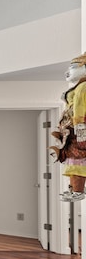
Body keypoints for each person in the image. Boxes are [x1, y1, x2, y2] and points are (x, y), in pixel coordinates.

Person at [50, 52, 86, 201]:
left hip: (78, 128)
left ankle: (78, 190)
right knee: (73, 159)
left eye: (73, 66)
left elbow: (80, 109)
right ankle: (75, 189)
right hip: (72, 129)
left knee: (77, 159)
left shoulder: (83, 87)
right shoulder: (79, 86)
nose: (69, 70)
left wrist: (80, 130)